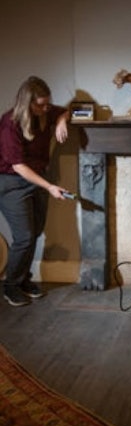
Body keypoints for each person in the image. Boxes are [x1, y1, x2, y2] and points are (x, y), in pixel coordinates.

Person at [0, 76, 71, 307]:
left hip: (37, 179)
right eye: (41, 105)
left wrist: (61, 121)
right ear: (27, 103)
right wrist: (49, 186)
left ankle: (23, 280)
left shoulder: (46, 112)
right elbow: (18, 166)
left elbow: (67, 110)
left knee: (35, 232)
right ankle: (10, 286)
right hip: (11, 183)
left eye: (48, 103)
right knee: (24, 236)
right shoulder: (10, 123)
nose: (46, 108)